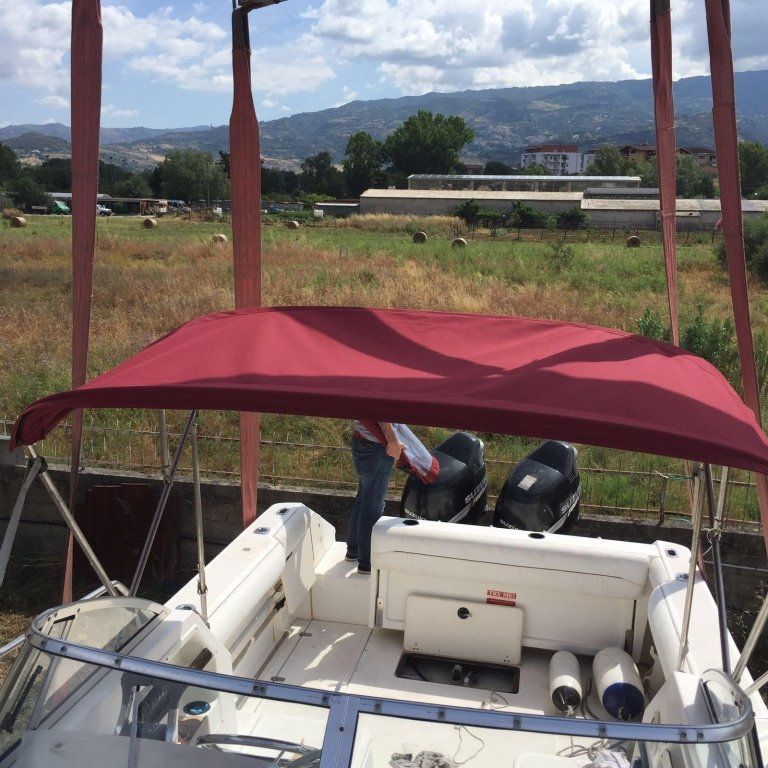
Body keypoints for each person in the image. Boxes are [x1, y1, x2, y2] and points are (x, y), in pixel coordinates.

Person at [346, 421, 404, 574]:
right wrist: (393, 442)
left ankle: (353, 550)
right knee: (372, 506)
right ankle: (366, 562)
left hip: (362, 441)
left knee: (363, 498)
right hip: (376, 446)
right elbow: (382, 412)